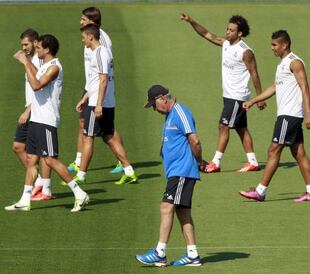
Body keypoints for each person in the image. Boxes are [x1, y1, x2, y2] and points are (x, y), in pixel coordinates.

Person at [6, 34, 89, 212]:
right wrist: (29, 62)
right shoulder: (44, 66)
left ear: (47, 49)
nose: (36, 50)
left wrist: (25, 62)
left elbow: (36, 85)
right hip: (36, 120)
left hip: (46, 121)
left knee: (50, 160)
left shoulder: (55, 68)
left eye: (38, 48)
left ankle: (80, 193)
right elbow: (36, 75)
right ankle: (25, 200)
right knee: (31, 160)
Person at [239, 30, 310, 202]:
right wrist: (253, 101)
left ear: (284, 45)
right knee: (299, 154)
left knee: (273, 149)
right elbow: (274, 88)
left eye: (274, 45)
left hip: (289, 115)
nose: (272, 48)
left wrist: (308, 113)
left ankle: (260, 191)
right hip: (288, 115)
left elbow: (305, 87)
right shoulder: (282, 64)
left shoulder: (295, 62)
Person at [180, 13, 265, 173]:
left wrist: (259, 98)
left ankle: (215, 162)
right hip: (228, 96)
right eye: (227, 29)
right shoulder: (225, 43)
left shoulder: (245, 51)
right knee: (241, 128)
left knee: (223, 126)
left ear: (240, 33)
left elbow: (254, 73)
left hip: (237, 97)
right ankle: (252, 162)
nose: (227, 32)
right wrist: (191, 21)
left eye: (231, 30)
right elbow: (206, 34)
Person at [136, 85, 204, 267]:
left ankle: (160, 252)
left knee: (166, 207)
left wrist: (199, 161)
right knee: (183, 213)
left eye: (153, 104)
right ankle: (193, 255)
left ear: (162, 99)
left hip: (182, 171)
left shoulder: (181, 112)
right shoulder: (169, 117)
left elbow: (195, 140)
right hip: (176, 172)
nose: (153, 108)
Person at [73, 24, 137, 185]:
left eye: (83, 37)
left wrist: (98, 104)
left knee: (88, 137)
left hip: (98, 104)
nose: (82, 40)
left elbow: (103, 79)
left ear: (90, 37)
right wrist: (85, 97)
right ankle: (129, 171)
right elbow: (96, 81)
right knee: (109, 137)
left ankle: (80, 176)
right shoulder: (98, 53)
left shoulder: (101, 53)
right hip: (97, 100)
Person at [67, 6, 124, 175]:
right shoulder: (89, 37)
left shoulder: (102, 39)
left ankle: (122, 163)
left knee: (107, 131)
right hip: (90, 87)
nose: (80, 22)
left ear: (92, 21)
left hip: (100, 90)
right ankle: (78, 160)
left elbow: (106, 68)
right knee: (84, 124)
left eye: (83, 19)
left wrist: (100, 97)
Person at [12, 29, 54, 201]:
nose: (24, 47)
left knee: (44, 155)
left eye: (26, 44)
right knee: (18, 147)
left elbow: (39, 85)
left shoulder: (38, 60)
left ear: (36, 42)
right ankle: (39, 183)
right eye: (22, 44)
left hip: (35, 112)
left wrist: (28, 110)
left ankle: (45, 188)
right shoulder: (33, 59)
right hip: (31, 111)